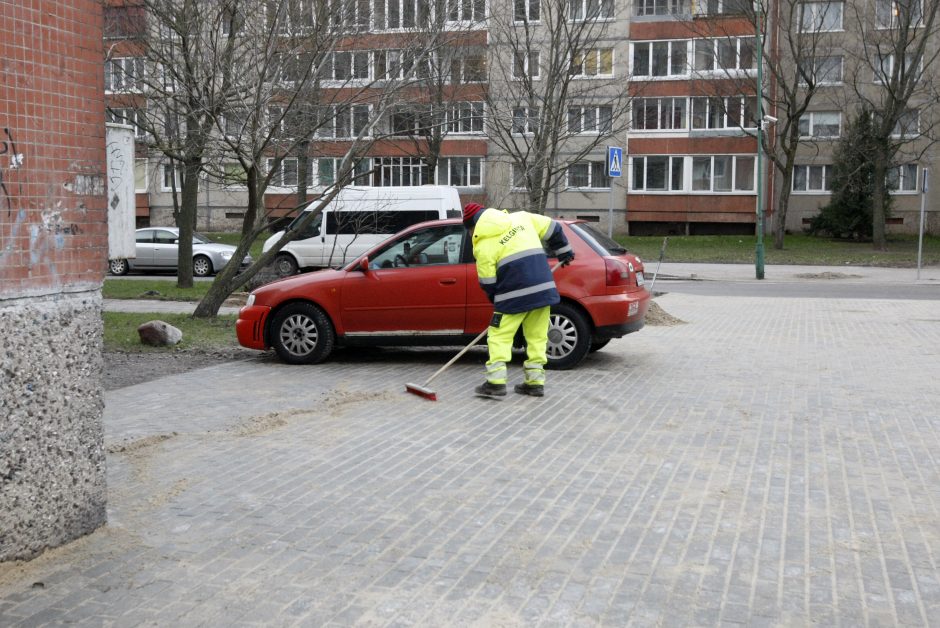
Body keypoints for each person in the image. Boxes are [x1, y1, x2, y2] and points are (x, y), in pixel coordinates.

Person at [463, 202, 574, 399]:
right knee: (537, 337)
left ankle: (495, 383)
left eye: (470, 231)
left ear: (473, 226)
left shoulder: (483, 245)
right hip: (543, 290)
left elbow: (487, 281)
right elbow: (554, 228)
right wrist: (563, 251)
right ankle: (535, 383)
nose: (471, 235)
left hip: (511, 297)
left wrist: (496, 300)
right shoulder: (522, 218)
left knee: (499, 337)